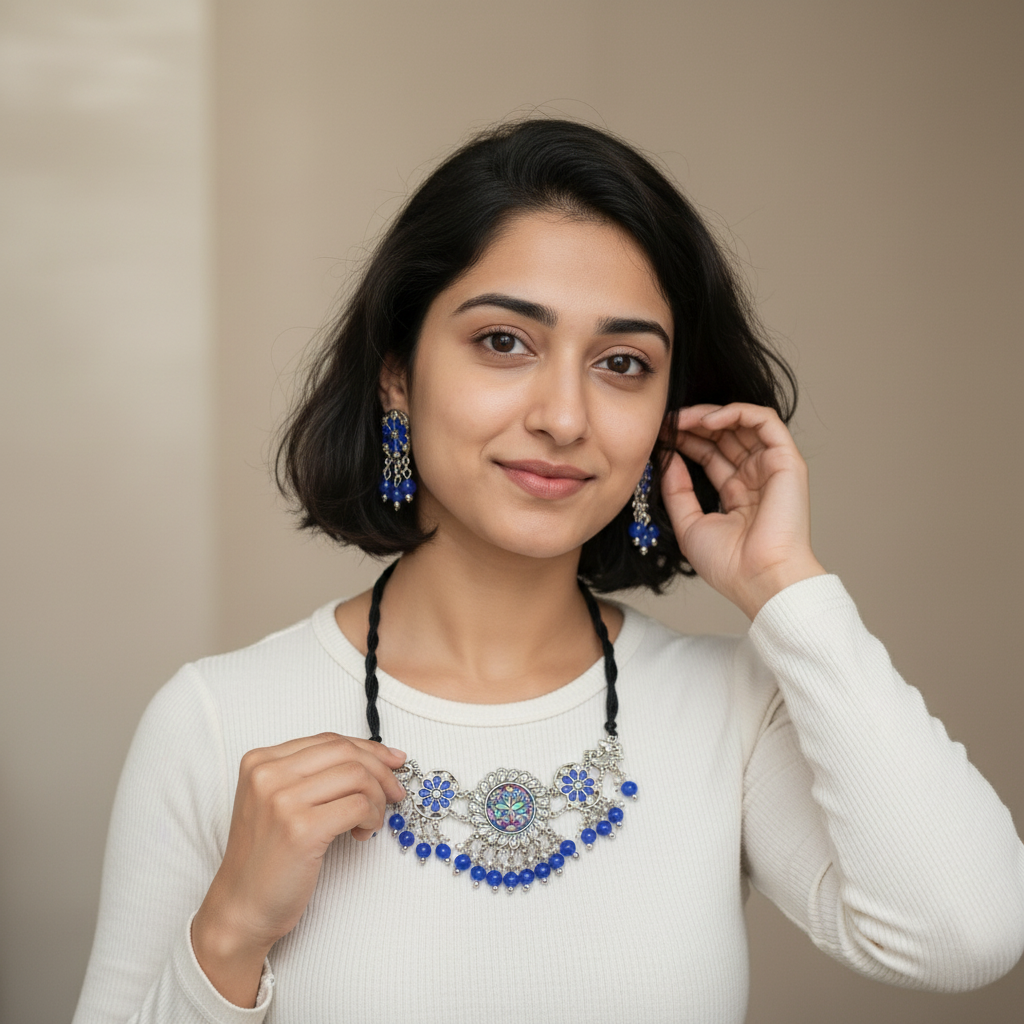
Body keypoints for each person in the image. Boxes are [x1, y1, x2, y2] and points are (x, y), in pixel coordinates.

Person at [73, 119, 1024, 1024]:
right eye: (504, 342)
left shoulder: (732, 709)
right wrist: (230, 931)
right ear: (397, 372)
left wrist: (789, 591)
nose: (565, 416)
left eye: (621, 363)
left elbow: (967, 936)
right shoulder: (215, 718)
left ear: (664, 413)